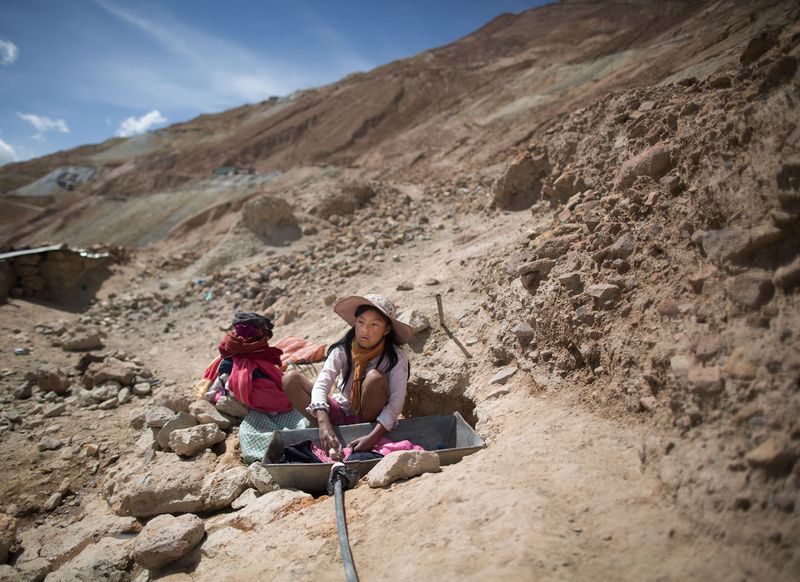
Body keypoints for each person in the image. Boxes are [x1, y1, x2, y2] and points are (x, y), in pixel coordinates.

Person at [282, 294, 413, 454]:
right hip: (340, 411)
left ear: (386, 329)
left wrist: (373, 437)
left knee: (375, 378)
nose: (365, 330)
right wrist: (323, 422)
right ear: (355, 323)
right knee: (290, 379)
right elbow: (322, 384)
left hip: (370, 418)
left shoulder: (396, 358)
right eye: (361, 322)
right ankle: (330, 434)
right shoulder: (342, 350)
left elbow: (395, 404)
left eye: (374, 324)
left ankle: (361, 433)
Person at [202, 311, 292, 414]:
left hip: (237, 385)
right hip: (238, 388)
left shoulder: (232, 351)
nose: (244, 337)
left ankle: (221, 395)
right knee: (277, 398)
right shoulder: (231, 355)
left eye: (247, 332)